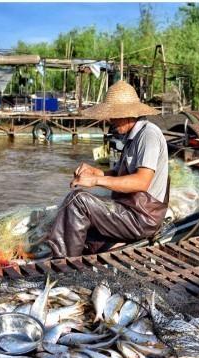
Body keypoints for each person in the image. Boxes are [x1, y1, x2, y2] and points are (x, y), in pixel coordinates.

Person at [46, 80, 169, 258]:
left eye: (115, 115)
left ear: (129, 114)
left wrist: (96, 181)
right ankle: (71, 257)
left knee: (78, 200)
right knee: (81, 231)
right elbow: (119, 174)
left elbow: (141, 182)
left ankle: (63, 266)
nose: (111, 120)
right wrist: (95, 172)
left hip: (141, 217)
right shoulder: (131, 137)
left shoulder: (148, 135)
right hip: (128, 209)